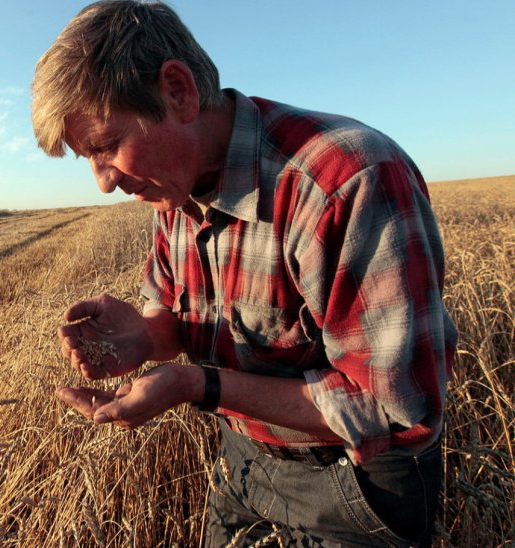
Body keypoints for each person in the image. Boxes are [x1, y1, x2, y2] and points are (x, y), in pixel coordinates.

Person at [31, 1, 458, 546]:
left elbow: (392, 408)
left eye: (106, 146)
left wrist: (197, 384)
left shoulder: (345, 182)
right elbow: (177, 313)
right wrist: (146, 334)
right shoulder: (174, 191)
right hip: (244, 464)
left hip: (360, 486)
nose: (103, 182)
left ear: (178, 91)